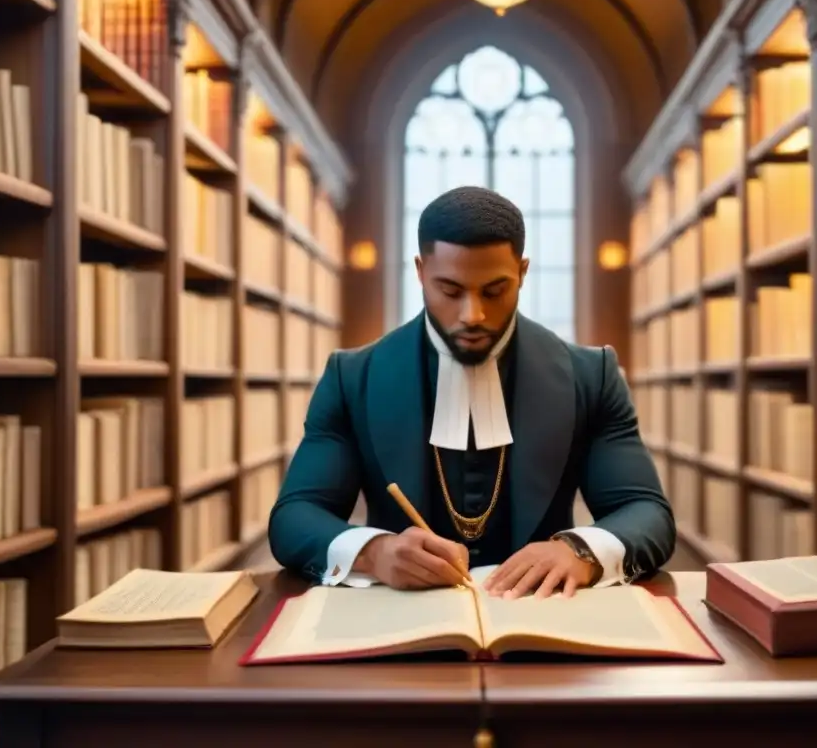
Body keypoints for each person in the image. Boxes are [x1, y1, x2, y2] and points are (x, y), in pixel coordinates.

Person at [269, 186, 675, 598]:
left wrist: (581, 551)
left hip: (543, 619)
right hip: (398, 627)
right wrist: (374, 552)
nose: (473, 315)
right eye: (450, 290)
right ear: (421, 272)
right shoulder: (351, 376)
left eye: (494, 291)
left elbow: (646, 512)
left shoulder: (593, 374)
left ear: (523, 272)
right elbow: (295, 517)